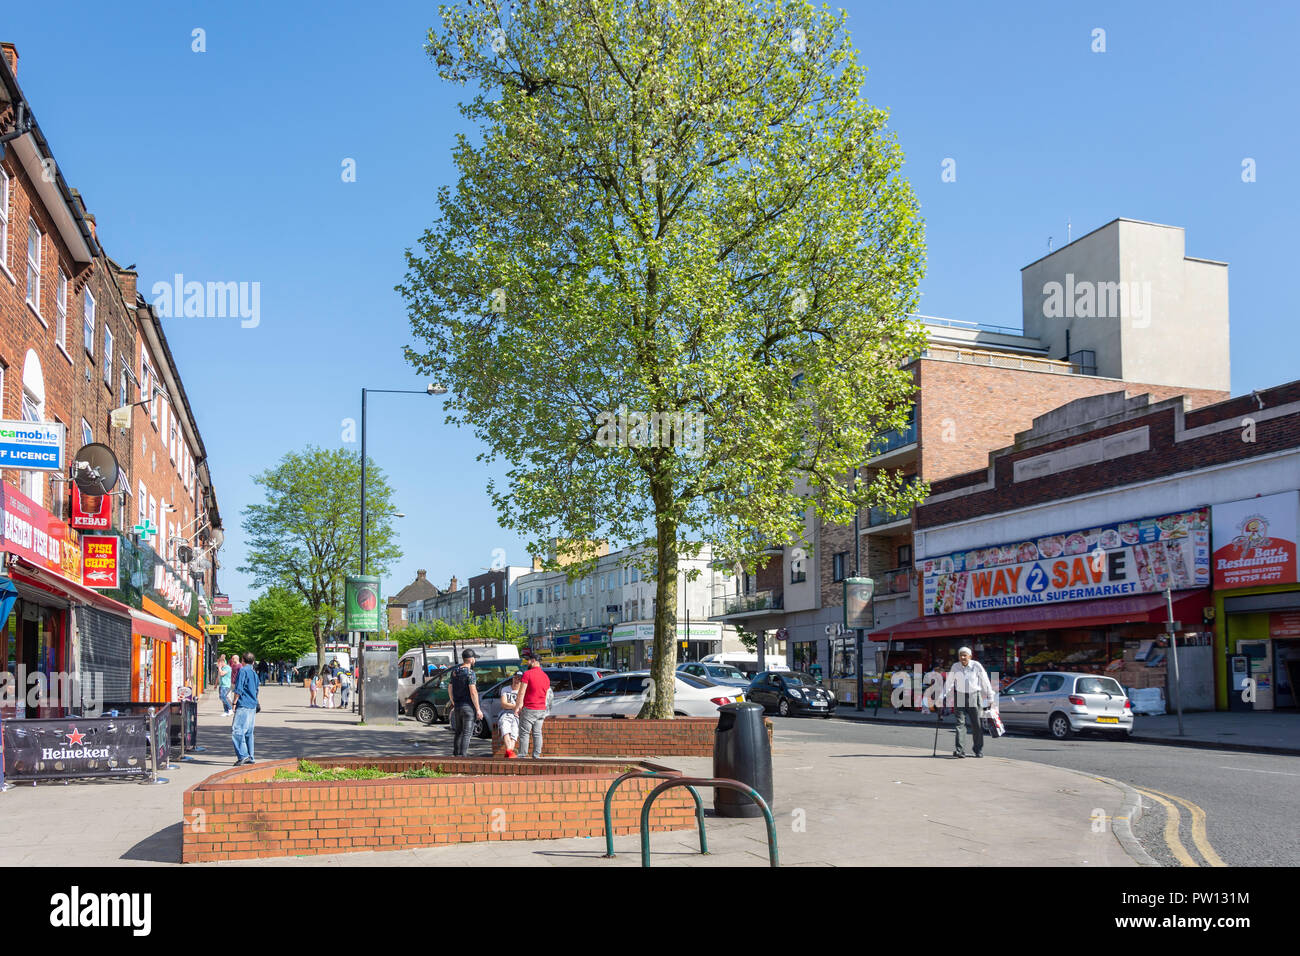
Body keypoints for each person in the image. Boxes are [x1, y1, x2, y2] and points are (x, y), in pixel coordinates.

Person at [946, 646, 993, 758]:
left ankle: (978, 749)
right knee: (959, 724)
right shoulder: (955, 666)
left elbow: (985, 681)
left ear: (970, 656)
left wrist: (991, 696)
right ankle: (960, 750)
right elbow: (949, 682)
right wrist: (942, 695)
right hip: (960, 695)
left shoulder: (976, 665)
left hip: (974, 696)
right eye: (960, 655)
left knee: (976, 724)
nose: (962, 657)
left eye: (965, 655)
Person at [515, 650, 551, 759]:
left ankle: (522, 755)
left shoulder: (527, 674)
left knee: (524, 733)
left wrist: (518, 707)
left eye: (528, 661)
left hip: (530, 708)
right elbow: (546, 694)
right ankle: (536, 755)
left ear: (533, 661)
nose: (527, 663)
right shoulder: (546, 676)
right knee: (537, 733)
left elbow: (521, 692)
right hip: (541, 709)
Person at [448, 649, 483, 757]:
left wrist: (453, 701)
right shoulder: (470, 673)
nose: (475, 660)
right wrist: (478, 709)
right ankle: (463, 757)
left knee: (458, 731)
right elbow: (473, 692)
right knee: (467, 733)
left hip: (458, 706)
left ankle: (456, 754)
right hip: (468, 707)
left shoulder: (454, 672)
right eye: (474, 658)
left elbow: (449, 688)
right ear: (471, 659)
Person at [231, 651, 260, 765]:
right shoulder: (254, 673)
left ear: (243, 660)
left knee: (237, 730)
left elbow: (239, 688)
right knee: (248, 732)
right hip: (252, 704)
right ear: (253, 661)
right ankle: (251, 756)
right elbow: (256, 689)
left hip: (243, 704)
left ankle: (243, 755)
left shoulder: (242, 670)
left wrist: (234, 703)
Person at [498, 671, 524, 758]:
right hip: (506, 713)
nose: (517, 680)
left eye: (519, 679)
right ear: (512, 678)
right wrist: (516, 706)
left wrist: (514, 707)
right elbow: (503, 704)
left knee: (515, 731)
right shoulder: (505, 689)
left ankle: (509, 751)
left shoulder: (523, 691)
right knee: (504, 726)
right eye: (515, 678)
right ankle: (510, 751)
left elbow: (522, 706)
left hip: (518, 715)